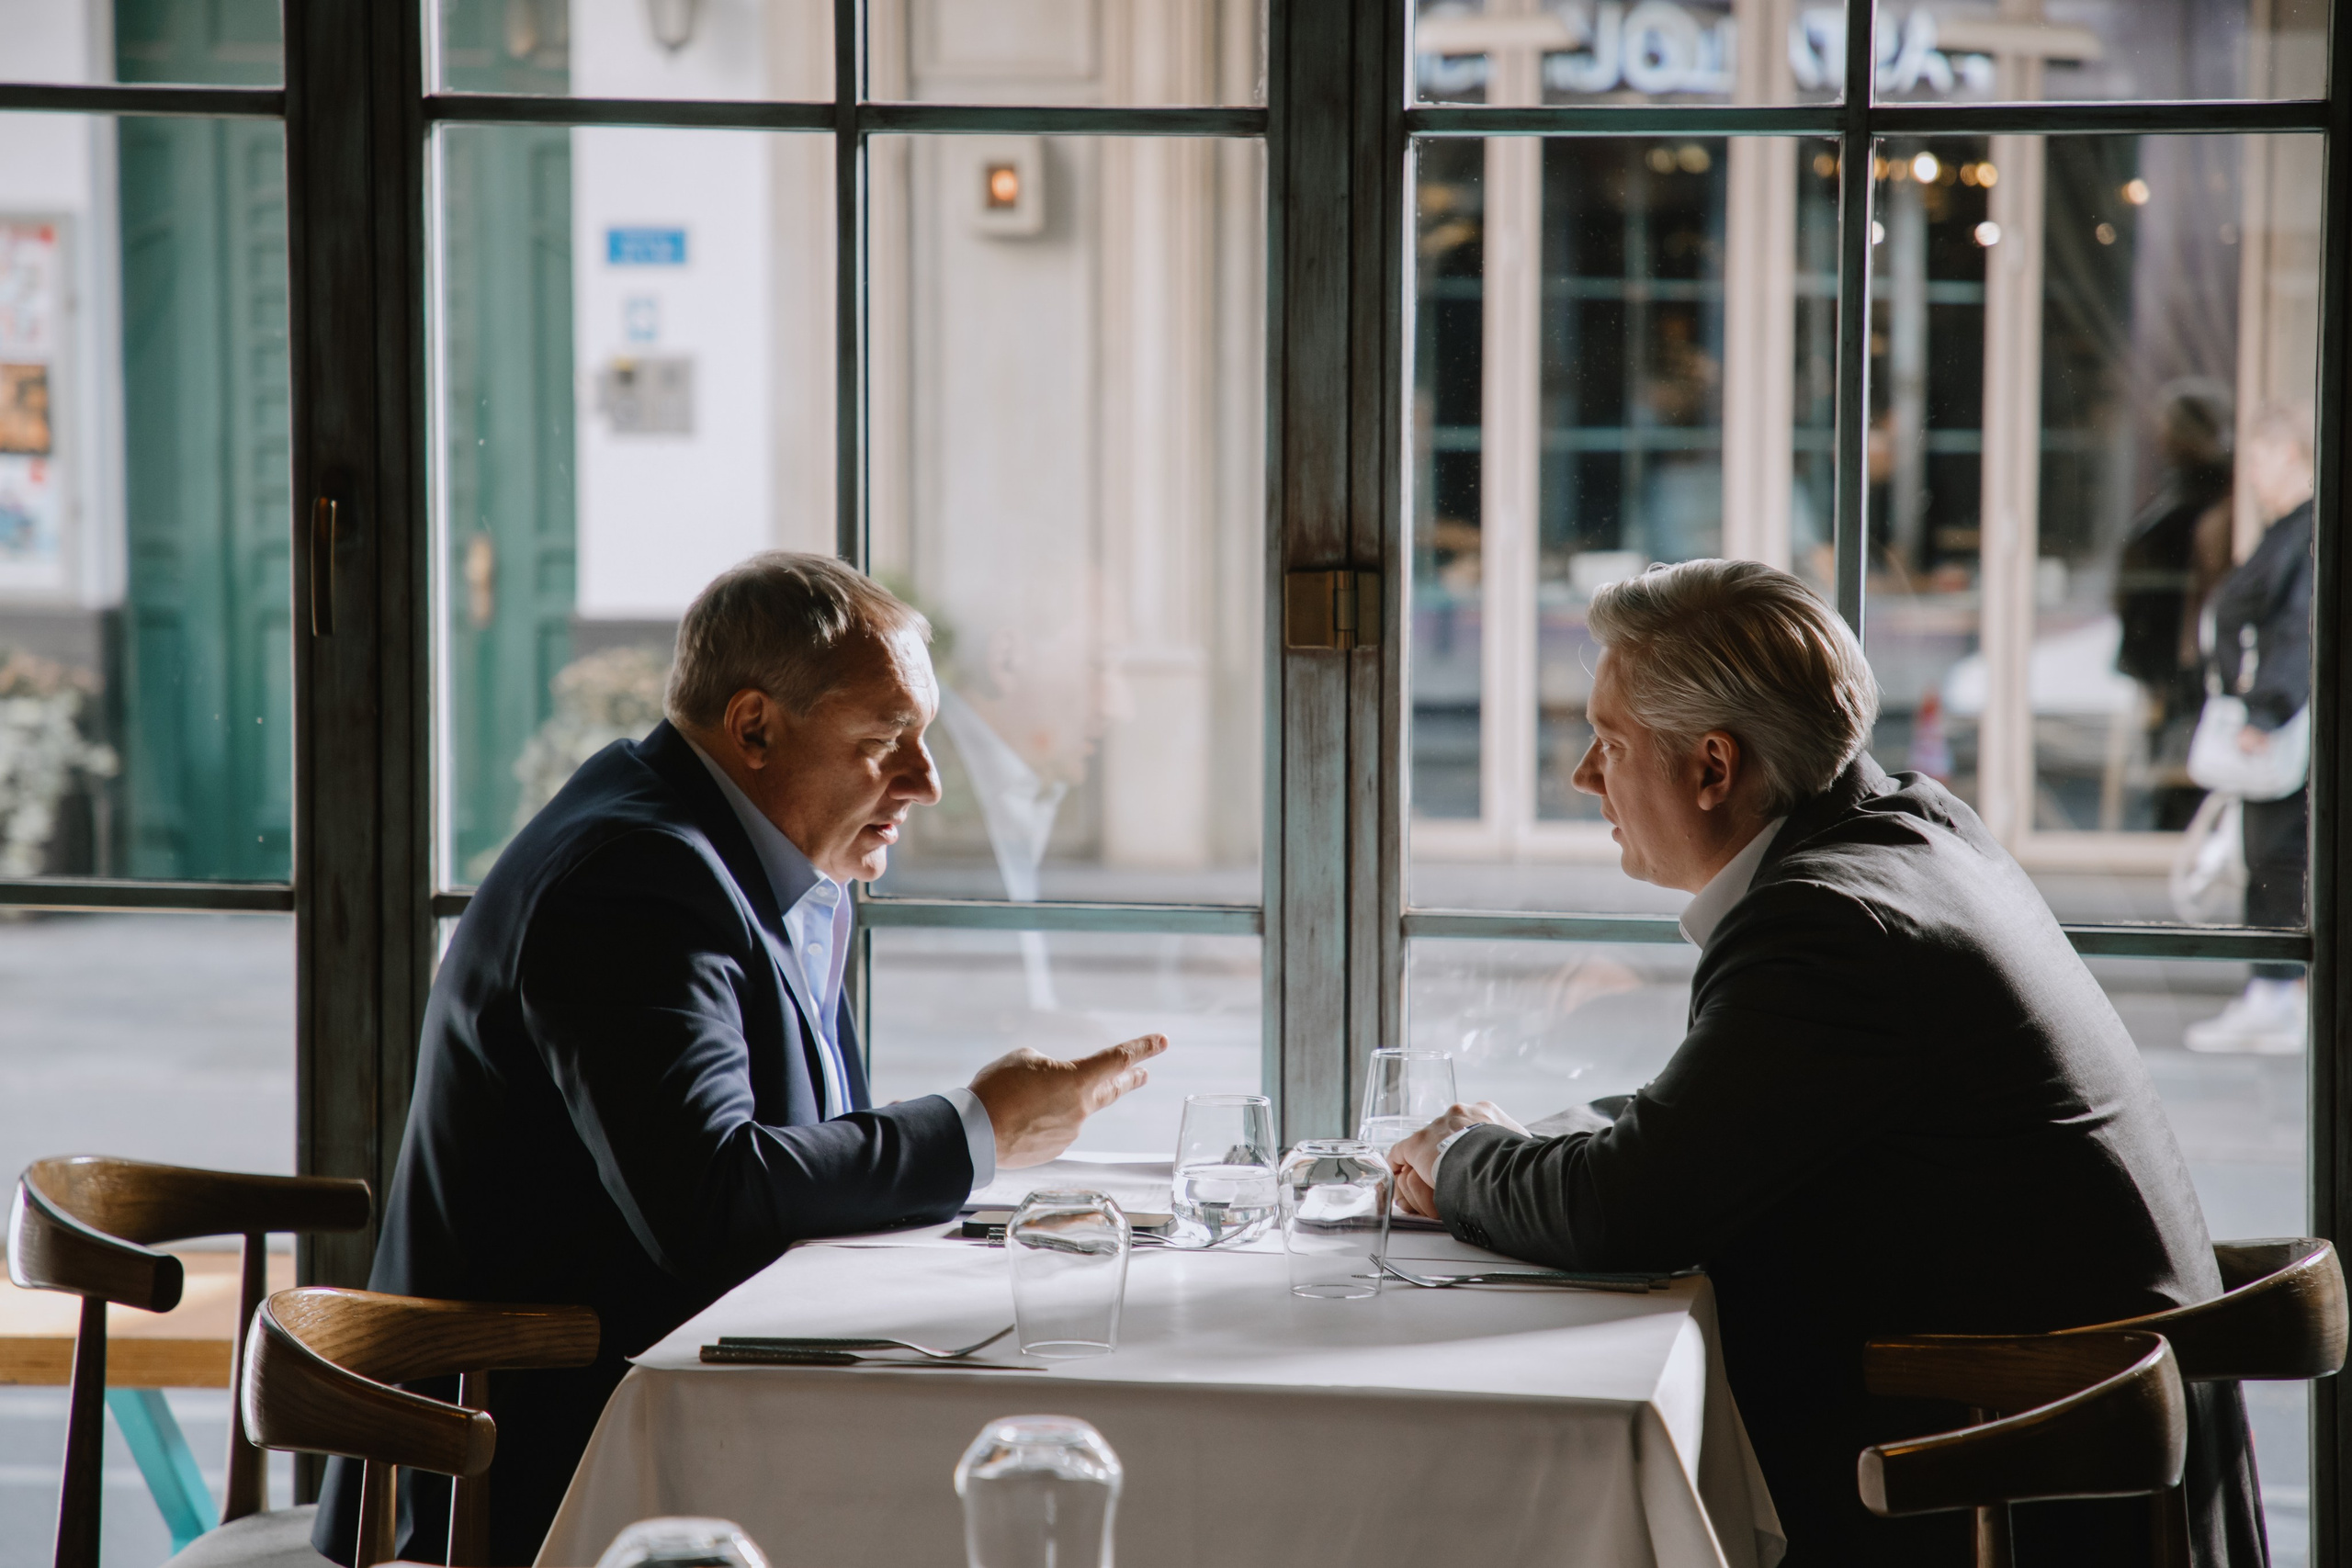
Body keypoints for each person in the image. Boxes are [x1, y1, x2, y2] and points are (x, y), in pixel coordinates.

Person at [1390, 560, 2262, 1567]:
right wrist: (1547, 1147)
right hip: (2087, 1454)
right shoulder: (1914, 829)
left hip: (2017, 1498)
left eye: (1609, 742)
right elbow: (1740, 1118)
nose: (1585, 776)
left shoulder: (1825, 924)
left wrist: (1461, 1160)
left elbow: (1625, 1210)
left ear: (1713, 769)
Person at [314, 553, 1165, 1565]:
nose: (925, 782)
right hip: (527, 1472)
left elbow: (775, 1148)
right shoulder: (636, 877)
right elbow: (709, 1194)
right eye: (884, 743)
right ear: (754, 727)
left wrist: (981, 1147)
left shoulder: (743, 854)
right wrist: (976, 1129)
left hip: (654, 1404)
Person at [2186, 406, 2313, 1055]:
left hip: (2280, 724)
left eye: (2261, 462)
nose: (2255, 478)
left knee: (2277, 854)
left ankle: (2276, 993)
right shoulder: (2289, 530)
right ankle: (2272, 991)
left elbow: (2299, 627)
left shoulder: (2306, 533)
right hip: (2272, 717)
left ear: (2292, 455)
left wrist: (2267, 710)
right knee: (2269, 851)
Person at [2113, 381, 2234, 830]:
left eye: (2168, 430)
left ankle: (2181, 827)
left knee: (2184, 756)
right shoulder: (2182, 488)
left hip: (2182, 649)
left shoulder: (2206, 491)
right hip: (2166, 647)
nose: (2161, 439)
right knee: (2170, 751)